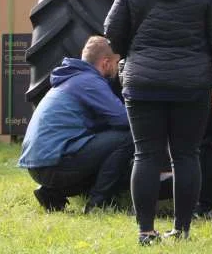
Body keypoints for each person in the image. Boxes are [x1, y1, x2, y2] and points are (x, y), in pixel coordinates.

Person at [104, 0, 212, 245]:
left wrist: (136, 53)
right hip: (191, 84)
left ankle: (146, 231)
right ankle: (181, 230)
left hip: (142, 81)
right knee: (186, 155)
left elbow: (111, 31)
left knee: (145, 155)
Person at [18, 36, 132, 213]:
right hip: (53, 163)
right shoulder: (89, 82)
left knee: (107, 151)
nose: (118, 68)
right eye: (117, 62)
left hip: (39, 164)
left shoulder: (74, 79)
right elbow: (124, 119)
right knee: (127, 138)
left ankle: (52, 192)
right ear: (106, 62)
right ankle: (98, 204)